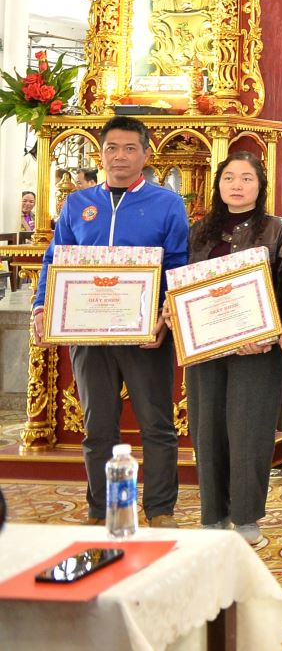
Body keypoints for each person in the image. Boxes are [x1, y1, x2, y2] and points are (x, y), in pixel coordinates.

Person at [31, 116, 187, 527]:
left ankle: (160, 509)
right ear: (100, 154)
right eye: (112, 148)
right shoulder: (77, 204)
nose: (120, 156)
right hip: (88, 333)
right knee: (98, 427)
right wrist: (42, 306)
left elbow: (177, 264)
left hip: (146, 333)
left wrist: (165, 315)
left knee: (156, 424)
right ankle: (102, 509)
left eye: (130, 148)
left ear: (146, 155)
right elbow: (54, 259)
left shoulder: (167, 204)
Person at [179, 151, 282, 547]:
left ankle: (246, 518)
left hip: (256, 349)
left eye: (247, 178)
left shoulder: (278, 230)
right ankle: (213, 515)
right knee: (207, 428)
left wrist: (269, 333)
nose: (237, 185)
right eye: (229, 177)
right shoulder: (199, 232)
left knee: (249, 431)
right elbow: (183, 285)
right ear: (218, 184)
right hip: (206, 348)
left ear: (260, 186)